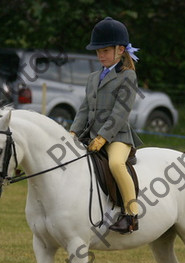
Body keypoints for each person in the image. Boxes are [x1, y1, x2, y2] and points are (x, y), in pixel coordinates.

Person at [69, 17, 143, 234]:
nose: (100, 55)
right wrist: (73, 132)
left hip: (117, 137)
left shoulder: (127, 77)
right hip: (89, 135)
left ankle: (131, 214)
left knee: (116, 165)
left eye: (105, 51)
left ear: (120, 50)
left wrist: (102, 137)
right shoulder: (93, 78)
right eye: (98, 51)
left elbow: (120, 112)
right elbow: (84, 109)